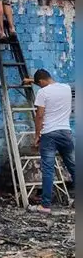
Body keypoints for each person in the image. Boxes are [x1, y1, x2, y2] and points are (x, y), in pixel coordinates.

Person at [32, 69, 76, 213]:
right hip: (66, 133)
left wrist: (37, 135)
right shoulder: (66, 88)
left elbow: (39, 116)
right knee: (73, 166)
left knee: (48, 170)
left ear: (41, 82)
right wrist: (30, 80)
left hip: (49, 135)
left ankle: (45, 205)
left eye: (39, 85)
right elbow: (49, 85)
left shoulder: (42, 92)